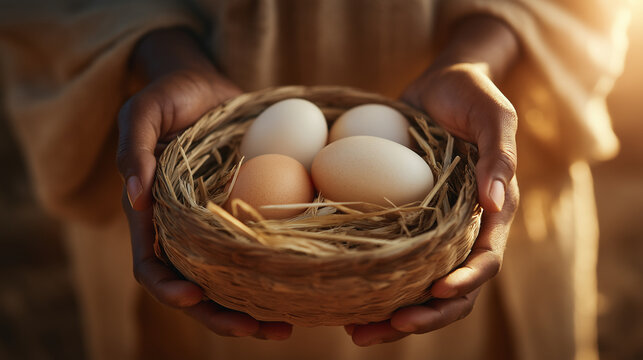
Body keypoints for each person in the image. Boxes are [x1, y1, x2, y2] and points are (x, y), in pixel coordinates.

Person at [0, 1, 629, 359]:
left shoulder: (397, 166)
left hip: (456, 137)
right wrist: (163, 54)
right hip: (196, 176)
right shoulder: (247, 178)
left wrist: (477, 56)